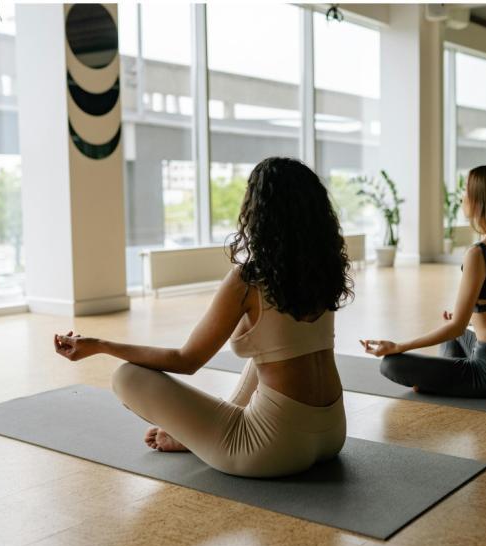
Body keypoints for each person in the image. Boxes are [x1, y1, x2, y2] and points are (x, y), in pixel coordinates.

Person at [54, 157, 353, 478]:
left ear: (258, 212)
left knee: (126, 377)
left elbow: (186, 360)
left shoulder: (248, 280)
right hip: (332, 433)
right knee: (268, 355)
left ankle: (197, 436)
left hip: (272, 449)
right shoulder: (325, 275)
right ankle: (201, 434)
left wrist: (100, 345)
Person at [360, 164, 486, 398]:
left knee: (390, 364)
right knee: (453, 336)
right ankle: (440, 381)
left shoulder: (478, 253)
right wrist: (464, 319)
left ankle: (438, 382)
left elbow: (456, 327)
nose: (462, 197)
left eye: (466, 191)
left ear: (481, 200)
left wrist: (398, 346)